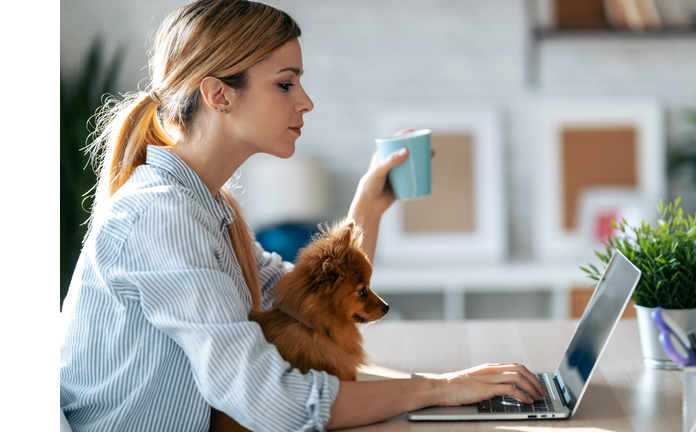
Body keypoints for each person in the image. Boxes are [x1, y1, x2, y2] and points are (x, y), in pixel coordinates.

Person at [59, 1, 547, 431]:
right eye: (285, 84)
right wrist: (436, 389)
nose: (305, 102)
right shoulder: (161, 216)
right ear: (219, 95)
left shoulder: (206, 207)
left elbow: (304, 299)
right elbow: (270, 403)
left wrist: (366, 210)